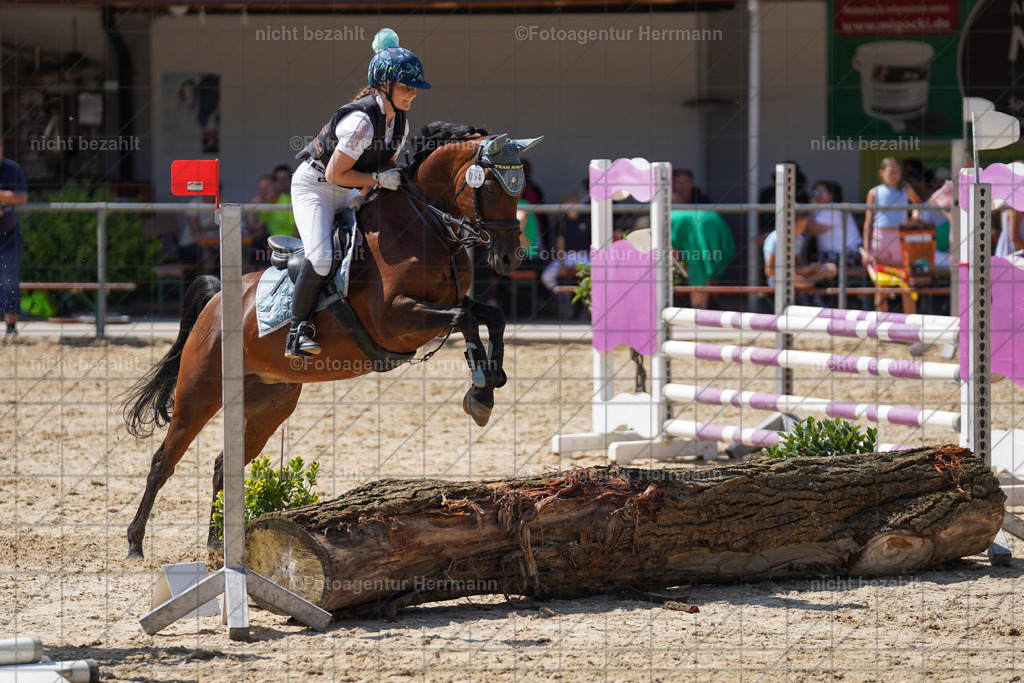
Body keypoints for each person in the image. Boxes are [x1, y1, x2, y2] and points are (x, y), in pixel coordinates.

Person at [287, 28, 429, 359]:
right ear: (386, 86)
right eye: (407, 87)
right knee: (322, 259)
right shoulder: (360, 121)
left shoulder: (400, 124)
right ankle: (297, 330)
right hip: (317, 188)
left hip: (350, 190)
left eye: (415, 87)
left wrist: (382, 185)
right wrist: (379, 180)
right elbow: (337, 172)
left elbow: (381, 171)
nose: (413, 93)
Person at [862, 157, 922, 313]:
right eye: (892, 171)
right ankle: (881, 324)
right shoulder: (874, 192)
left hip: (899, 238)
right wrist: (867, 249)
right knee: (881, 285)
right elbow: (868, 222)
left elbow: (917, 203)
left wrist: (913, 217)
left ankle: (911, 324)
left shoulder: (905, 189)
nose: (895, 175)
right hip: (880, 238)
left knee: (905, 282)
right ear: (882, 173)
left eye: (898, 171)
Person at [670, 194, 737, 309]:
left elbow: (673, 256)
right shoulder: (680, 215)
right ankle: (710, 304)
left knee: (698, 269)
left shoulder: (664, 220)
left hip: (699, 225)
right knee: (706, 267)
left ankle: (698, 309)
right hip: (712, 220)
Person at [763, 211, 837, 290]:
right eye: (800, 227)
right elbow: (769, 271)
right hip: (780, 278)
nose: (803, 230)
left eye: (804, 227)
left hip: (798, 276)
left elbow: (799, 265)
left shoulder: (798, 239)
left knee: (830, 268)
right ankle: (811, 282)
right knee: (798, 281)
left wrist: (810, 268)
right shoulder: (775, 238)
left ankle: (810, 282)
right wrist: (805, 271)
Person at [0, 140, 28, 336]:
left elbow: (22, 197)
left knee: (9, 281)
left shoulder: (12, 168)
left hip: (9, 234)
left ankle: (11, 327)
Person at [541, 191, 590, 298]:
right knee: (546, 276)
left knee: (599, 274)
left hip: (585, 256)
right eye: (570, 203)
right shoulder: (561, 220)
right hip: (567, 257)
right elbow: (560, 243)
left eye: (576, 202)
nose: (574, 206)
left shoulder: (587, 217)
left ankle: (587, 299)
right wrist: (562, 265)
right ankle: (562, 300)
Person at [246, 173, 297, 265]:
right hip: (272, 246)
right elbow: (254, 229)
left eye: (267, 186)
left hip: (289, 247)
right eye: (260, 188)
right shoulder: (268, 205)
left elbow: (298, 229)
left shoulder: (288, 201)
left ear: (276, 185)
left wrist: (289, 248)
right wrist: (250, 210)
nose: (263, 190)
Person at [809, 180, 861, 266]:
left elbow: (812, 231)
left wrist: (809, 210)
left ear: (831, 195)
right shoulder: (819, 210)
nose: (819, 196)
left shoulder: (833, 209)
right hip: (830, 253)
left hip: (847, 254)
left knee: (815, 265)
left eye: (823, 192)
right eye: (815, 192)